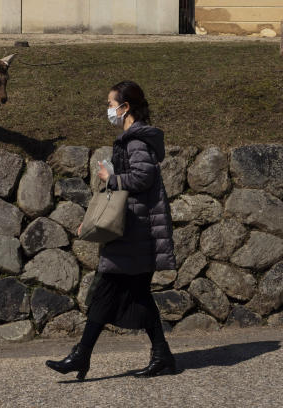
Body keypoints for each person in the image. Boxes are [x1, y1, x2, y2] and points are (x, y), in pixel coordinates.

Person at [46, 80, 177, 380]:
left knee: (106, 290)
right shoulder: (132, 139)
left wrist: (113, 178)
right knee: (137, 294)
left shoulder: (135, 141)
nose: (108, 110)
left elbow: (142, 177)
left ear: (125, 107)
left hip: (134, 233)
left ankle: (82, 356)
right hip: (132, 231)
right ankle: (162, 355)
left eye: (110, 104)